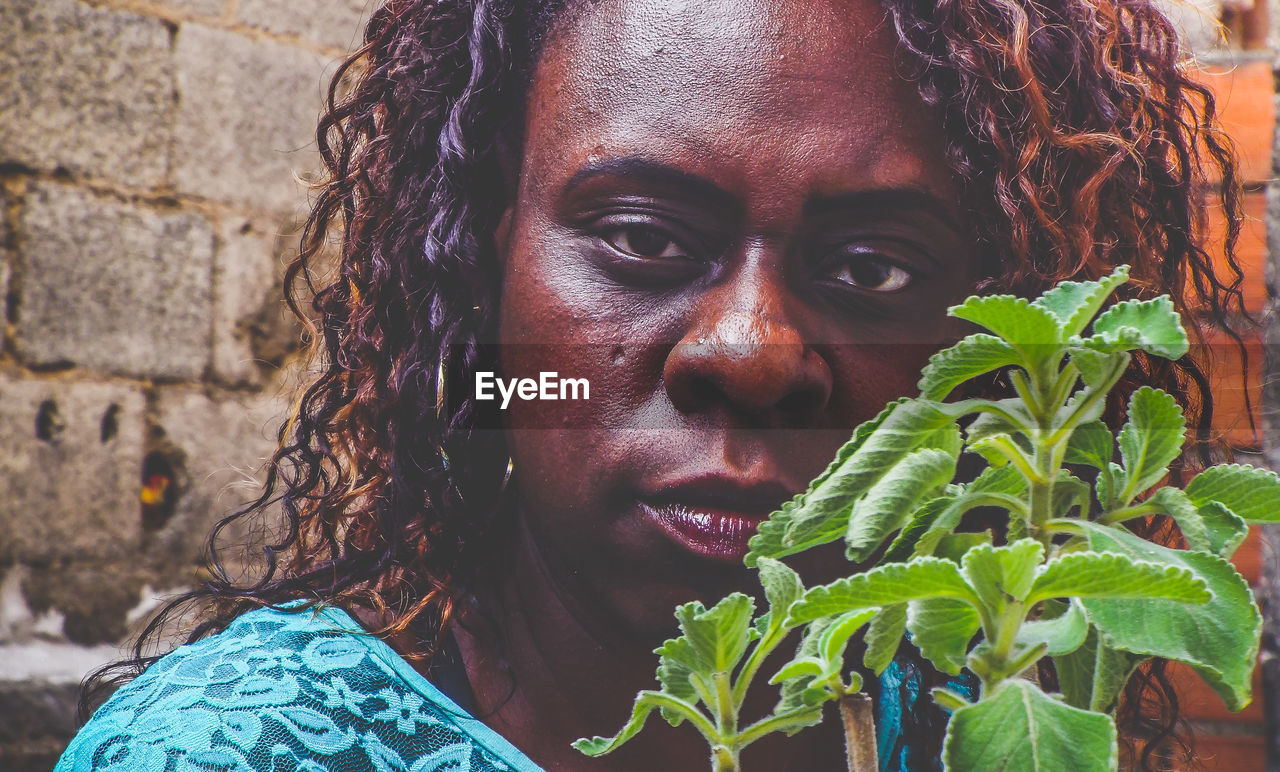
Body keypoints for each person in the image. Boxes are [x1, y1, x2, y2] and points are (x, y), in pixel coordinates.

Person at [57, 0, 1251, 770]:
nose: (747, 355)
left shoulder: (957, 708)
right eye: (639, 236)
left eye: (874, 265)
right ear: (482, 270)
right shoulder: (230, 751)